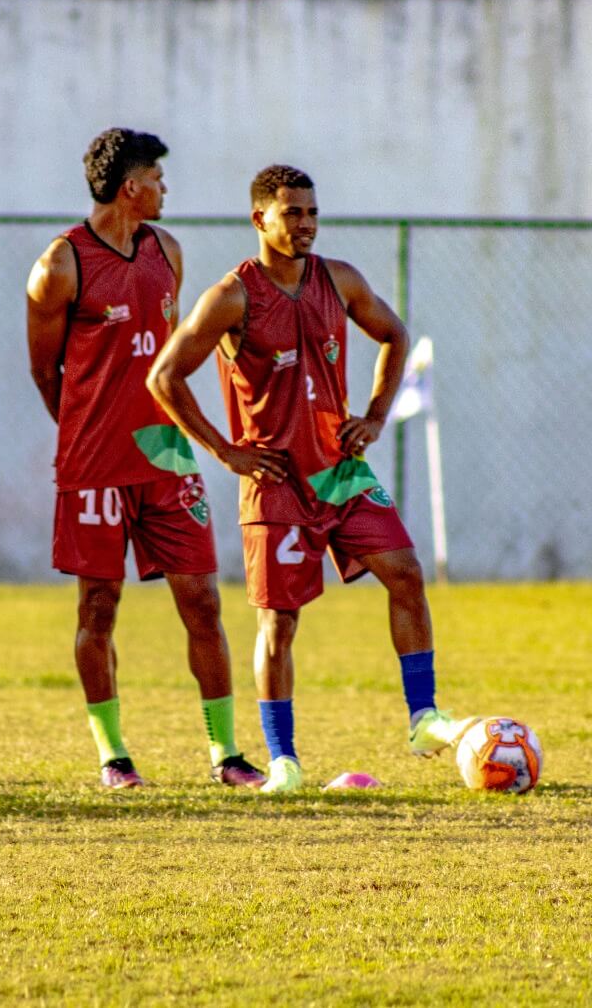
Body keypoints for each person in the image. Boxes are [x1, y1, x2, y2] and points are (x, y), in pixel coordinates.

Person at [147, 164, 466, 794]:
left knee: (404, 572)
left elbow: (394, 335)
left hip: (341, 470)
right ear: (259, 218)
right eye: (293, 213)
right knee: (279, 621)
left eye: (313, 212)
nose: (306, 225)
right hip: (275, 481)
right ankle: (284, 761)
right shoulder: (231, 296)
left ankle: (423, 718)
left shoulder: (338, 279)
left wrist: (374, 416)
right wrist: (224, 451)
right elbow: (164, 376)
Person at [25, 128, 264, 789]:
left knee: (204, 601)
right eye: (158, 177)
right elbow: (46, 373)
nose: (167, 188)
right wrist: (89, 433)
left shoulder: (169, 252)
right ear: (131, 187)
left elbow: (170, 359)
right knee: (98, 606)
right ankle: (113, 757)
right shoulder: (59, 266)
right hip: (93, 467)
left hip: (168, 459)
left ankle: (226, 754)